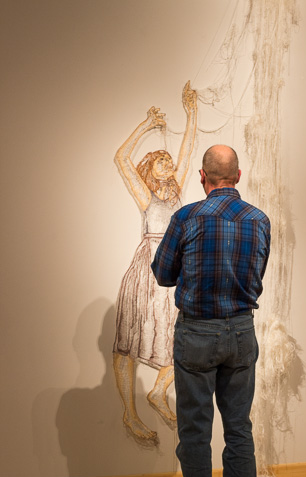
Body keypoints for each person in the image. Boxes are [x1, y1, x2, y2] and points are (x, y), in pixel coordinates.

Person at [151, 145, 271, 477]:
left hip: (197, 333)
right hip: (242, 331)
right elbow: (257, 274)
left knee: (195, 433)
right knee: (239, 431)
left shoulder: (187, 217)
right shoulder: (259, 220)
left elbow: (163, 274)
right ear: (238, 176)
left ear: (202, 177)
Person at [113, 82, 197, 442]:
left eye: (168, 160)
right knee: (128, 339)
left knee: (181, 334)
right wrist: (146, 125)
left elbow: (187, 150)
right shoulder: (145, 195)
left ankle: (159, 391)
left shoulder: (176, 193)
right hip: (147, 269)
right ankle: (129, 414)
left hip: (173, 268)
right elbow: (121, 158)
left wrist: (192, 113)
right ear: (151, 168)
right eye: (161, 160)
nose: (170, 162)